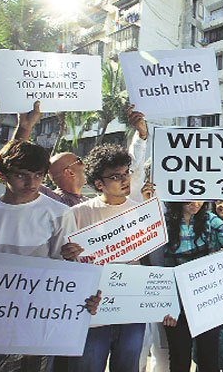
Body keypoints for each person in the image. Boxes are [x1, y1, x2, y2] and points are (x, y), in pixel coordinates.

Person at [0, 140, 100, 371]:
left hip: (30, 330)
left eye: (38, 175)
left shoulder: (59, 214)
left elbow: (64, 277)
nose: (31, 183)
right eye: (21, 175)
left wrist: (81, 289)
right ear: (1, 174)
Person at [59, 143, 146, 372]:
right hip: (90, 310)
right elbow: (61, 264)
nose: (125, 179)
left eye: (126, 172)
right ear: (99, 183)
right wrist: (67, 255)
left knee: (128, 366)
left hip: (131, 307)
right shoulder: (78, 214)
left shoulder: (142, 212)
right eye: (116, 176)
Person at [160, 195, 223, 372]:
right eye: (189, 199)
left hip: (204, 297)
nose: (196, 204)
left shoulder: (208, 218)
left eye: (199, 198)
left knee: (209, 358)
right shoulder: (164, 219)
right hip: (175, 299)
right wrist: (165, 305)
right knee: (179, 359)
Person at [13, 101, 149, 206]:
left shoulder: (89, 204)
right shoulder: (53, 200)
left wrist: (141, 134)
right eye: (78, 161)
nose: (84, 164)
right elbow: (14, 165)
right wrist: (24, 128)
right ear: (69, 172)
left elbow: (132, 164)